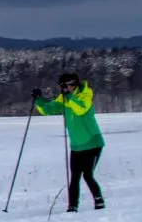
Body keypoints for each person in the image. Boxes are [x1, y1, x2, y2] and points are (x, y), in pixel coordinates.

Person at [31, 72, 105, 213]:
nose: (63, 89)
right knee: (75, 176)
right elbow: (49, 109)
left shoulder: (85, 95)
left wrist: (69, 98)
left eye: (65, 86)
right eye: (61, 86)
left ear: (73, 85)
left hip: (92, 143)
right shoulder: (64, 98)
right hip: (77, 145)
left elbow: (80, 109)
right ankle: (72, 206)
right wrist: (38, 101)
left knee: (88, 175)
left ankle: (99, 201)